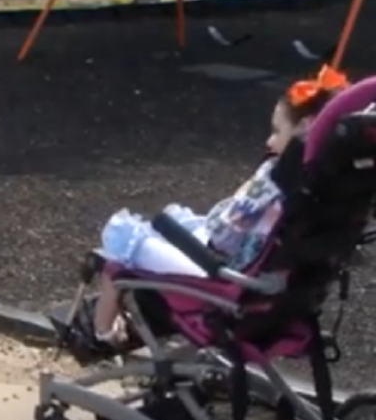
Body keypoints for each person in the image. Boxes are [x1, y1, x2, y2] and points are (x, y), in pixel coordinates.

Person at [93, 65, 349, 344]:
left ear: (303, 127)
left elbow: (223, 231)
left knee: (124, 242)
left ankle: (104, 331)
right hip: (284, 292)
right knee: (174, 225)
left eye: (277, 131)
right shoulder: (329, 184)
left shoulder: (276, 177)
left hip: (230, 282)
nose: (270, 140)